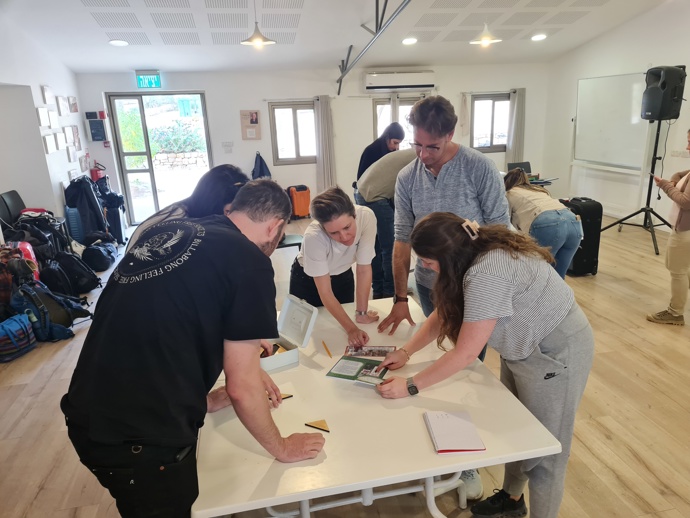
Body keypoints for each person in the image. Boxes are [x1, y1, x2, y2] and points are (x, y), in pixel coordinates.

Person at [61, 179, 325, 518]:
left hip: (87, 409)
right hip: (138, 441)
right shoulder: (250, 261)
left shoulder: (173, 230)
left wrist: (204, 399)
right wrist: (283, 447)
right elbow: (243, 388)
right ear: (275, 227)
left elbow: (163, 322)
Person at [376, 212, 594, 518]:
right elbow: (444, 311)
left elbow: (466, 353)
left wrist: (410, 386)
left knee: (545, 455)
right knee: (518, 430)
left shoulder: (487, 273)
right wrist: (406, 351)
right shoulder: (471, 252)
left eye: (427, 261)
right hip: (522, 347)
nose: (424, 267)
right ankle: (512, 499)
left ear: (447, 255)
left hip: (555, 353)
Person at [376, 95, 510, 498]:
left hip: (474, 287)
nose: (423, 154)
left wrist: (477, 281)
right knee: (434, 363)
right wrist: (400, 297)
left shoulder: (478, 167)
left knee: (463, 369)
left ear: (451, 134)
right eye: (416, 144)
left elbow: (500, 232)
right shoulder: (407, 176)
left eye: (432, 146)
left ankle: (464, 462)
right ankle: (428, 444)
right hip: (429, 283)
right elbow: (401, 240)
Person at [289, 186, 378, 346]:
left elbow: (364, 269)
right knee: (308, 336)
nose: (343, 236)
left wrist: (362, 314)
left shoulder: (366, 217)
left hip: (343, 274)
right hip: (307, 281)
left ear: (354, 215)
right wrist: (352, 329)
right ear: (323, 228)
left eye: (347, 227)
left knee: (339, 336)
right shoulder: (313, 237)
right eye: (334, 233)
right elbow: (325, 292)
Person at [126, 164, 249, 253]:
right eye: (228, 211)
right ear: (213, 204)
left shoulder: (193, 208)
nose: (231, 218)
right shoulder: (180, 227)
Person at [354, 123, 406, 299]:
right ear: (387, 137)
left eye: (399, 144)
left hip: (366, 197)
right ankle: (390, 290)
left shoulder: (387, 153)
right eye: (395, 142)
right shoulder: (372, 151)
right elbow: (362, 179)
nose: (396, 147)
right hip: (373, 199)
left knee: (374, 246)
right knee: (389, 246)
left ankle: (378, 289)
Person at [503, 167, 583, 279]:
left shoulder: (509, 193)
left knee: (538, 274)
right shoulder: (538, 189)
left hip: (549, 224)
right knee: (559, 278)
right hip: (574, 222)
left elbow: (505, 221)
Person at [647, 128, 690, 326]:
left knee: (677, 270)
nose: (687, 147)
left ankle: (675, 313)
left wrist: (665, 185)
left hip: (685, 231)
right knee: (685, 268)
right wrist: (673, 179)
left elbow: (686, 202)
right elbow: (682, 173)